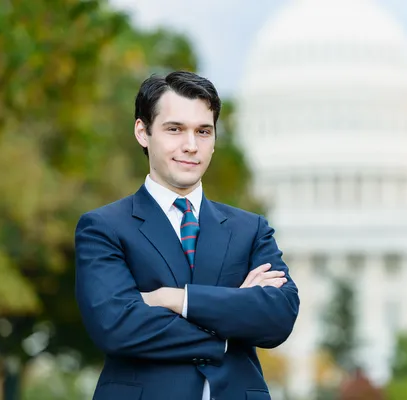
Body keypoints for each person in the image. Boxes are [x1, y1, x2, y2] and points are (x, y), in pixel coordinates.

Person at [74, 71, 300, 400]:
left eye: (203, 131)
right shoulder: (103, 228)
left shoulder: (250, 229)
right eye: (175, 129)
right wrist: (229, 327)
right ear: (143, 132)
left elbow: (278, 317)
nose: (191, 145)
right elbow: (116, 326)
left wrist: (174, 299)